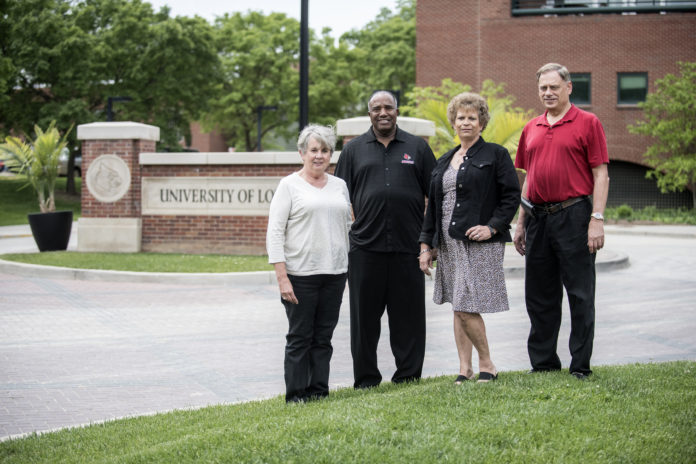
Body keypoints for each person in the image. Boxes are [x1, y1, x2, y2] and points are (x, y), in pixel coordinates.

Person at [513, 63, 610, 380]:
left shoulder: (587, 122)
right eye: (543, 88)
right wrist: (520, 221)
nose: (548, 93)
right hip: (538, 218)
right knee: (539, 295)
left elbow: (601, 174)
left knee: (580, 294)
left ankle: (580, 365)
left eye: (554, 87)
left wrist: (596, 218)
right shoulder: (532, 127)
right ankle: (543, 363)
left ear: (569, 87)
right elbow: (529, 177)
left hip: (575, 215)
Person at [334, 90, 436, 388]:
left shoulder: (418, 148)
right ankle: (366, 379)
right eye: (376, 108)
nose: (383, 113)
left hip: (409, 248)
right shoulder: (353, 150)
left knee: (409, 320)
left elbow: (436, 196)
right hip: (365, 250)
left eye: (388, 107)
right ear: (370, 114)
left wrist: (428, 242)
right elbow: (339, 198)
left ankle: (408, 375)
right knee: (364, 322)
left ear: (396, 111)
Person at [419, 92, 520, 384]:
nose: (465, 122)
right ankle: (464, 368)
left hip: (479, 241)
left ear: (482, 122)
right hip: (449, 242)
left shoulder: (496, 155)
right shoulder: (444, 160)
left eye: (472, 118)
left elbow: (511, 196)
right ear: (453, 122)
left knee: (465, 303)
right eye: (460, 117)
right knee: (457, 303)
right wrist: (427, 245)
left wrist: (492, 227)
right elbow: (433, 207)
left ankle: (487, 363)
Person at [266, 124, 352, 403]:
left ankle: (318, 391)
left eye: (325, 150)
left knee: (323, 337)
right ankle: (295, 395)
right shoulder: (289, 185)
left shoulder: (340, 185)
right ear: (302, 153)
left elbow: (348, 225)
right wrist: (282, 277)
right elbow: (275, 232)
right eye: (314, 150)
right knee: (300, 337)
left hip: (335, 273)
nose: (319, 155)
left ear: (331, 154)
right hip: (300, 274)